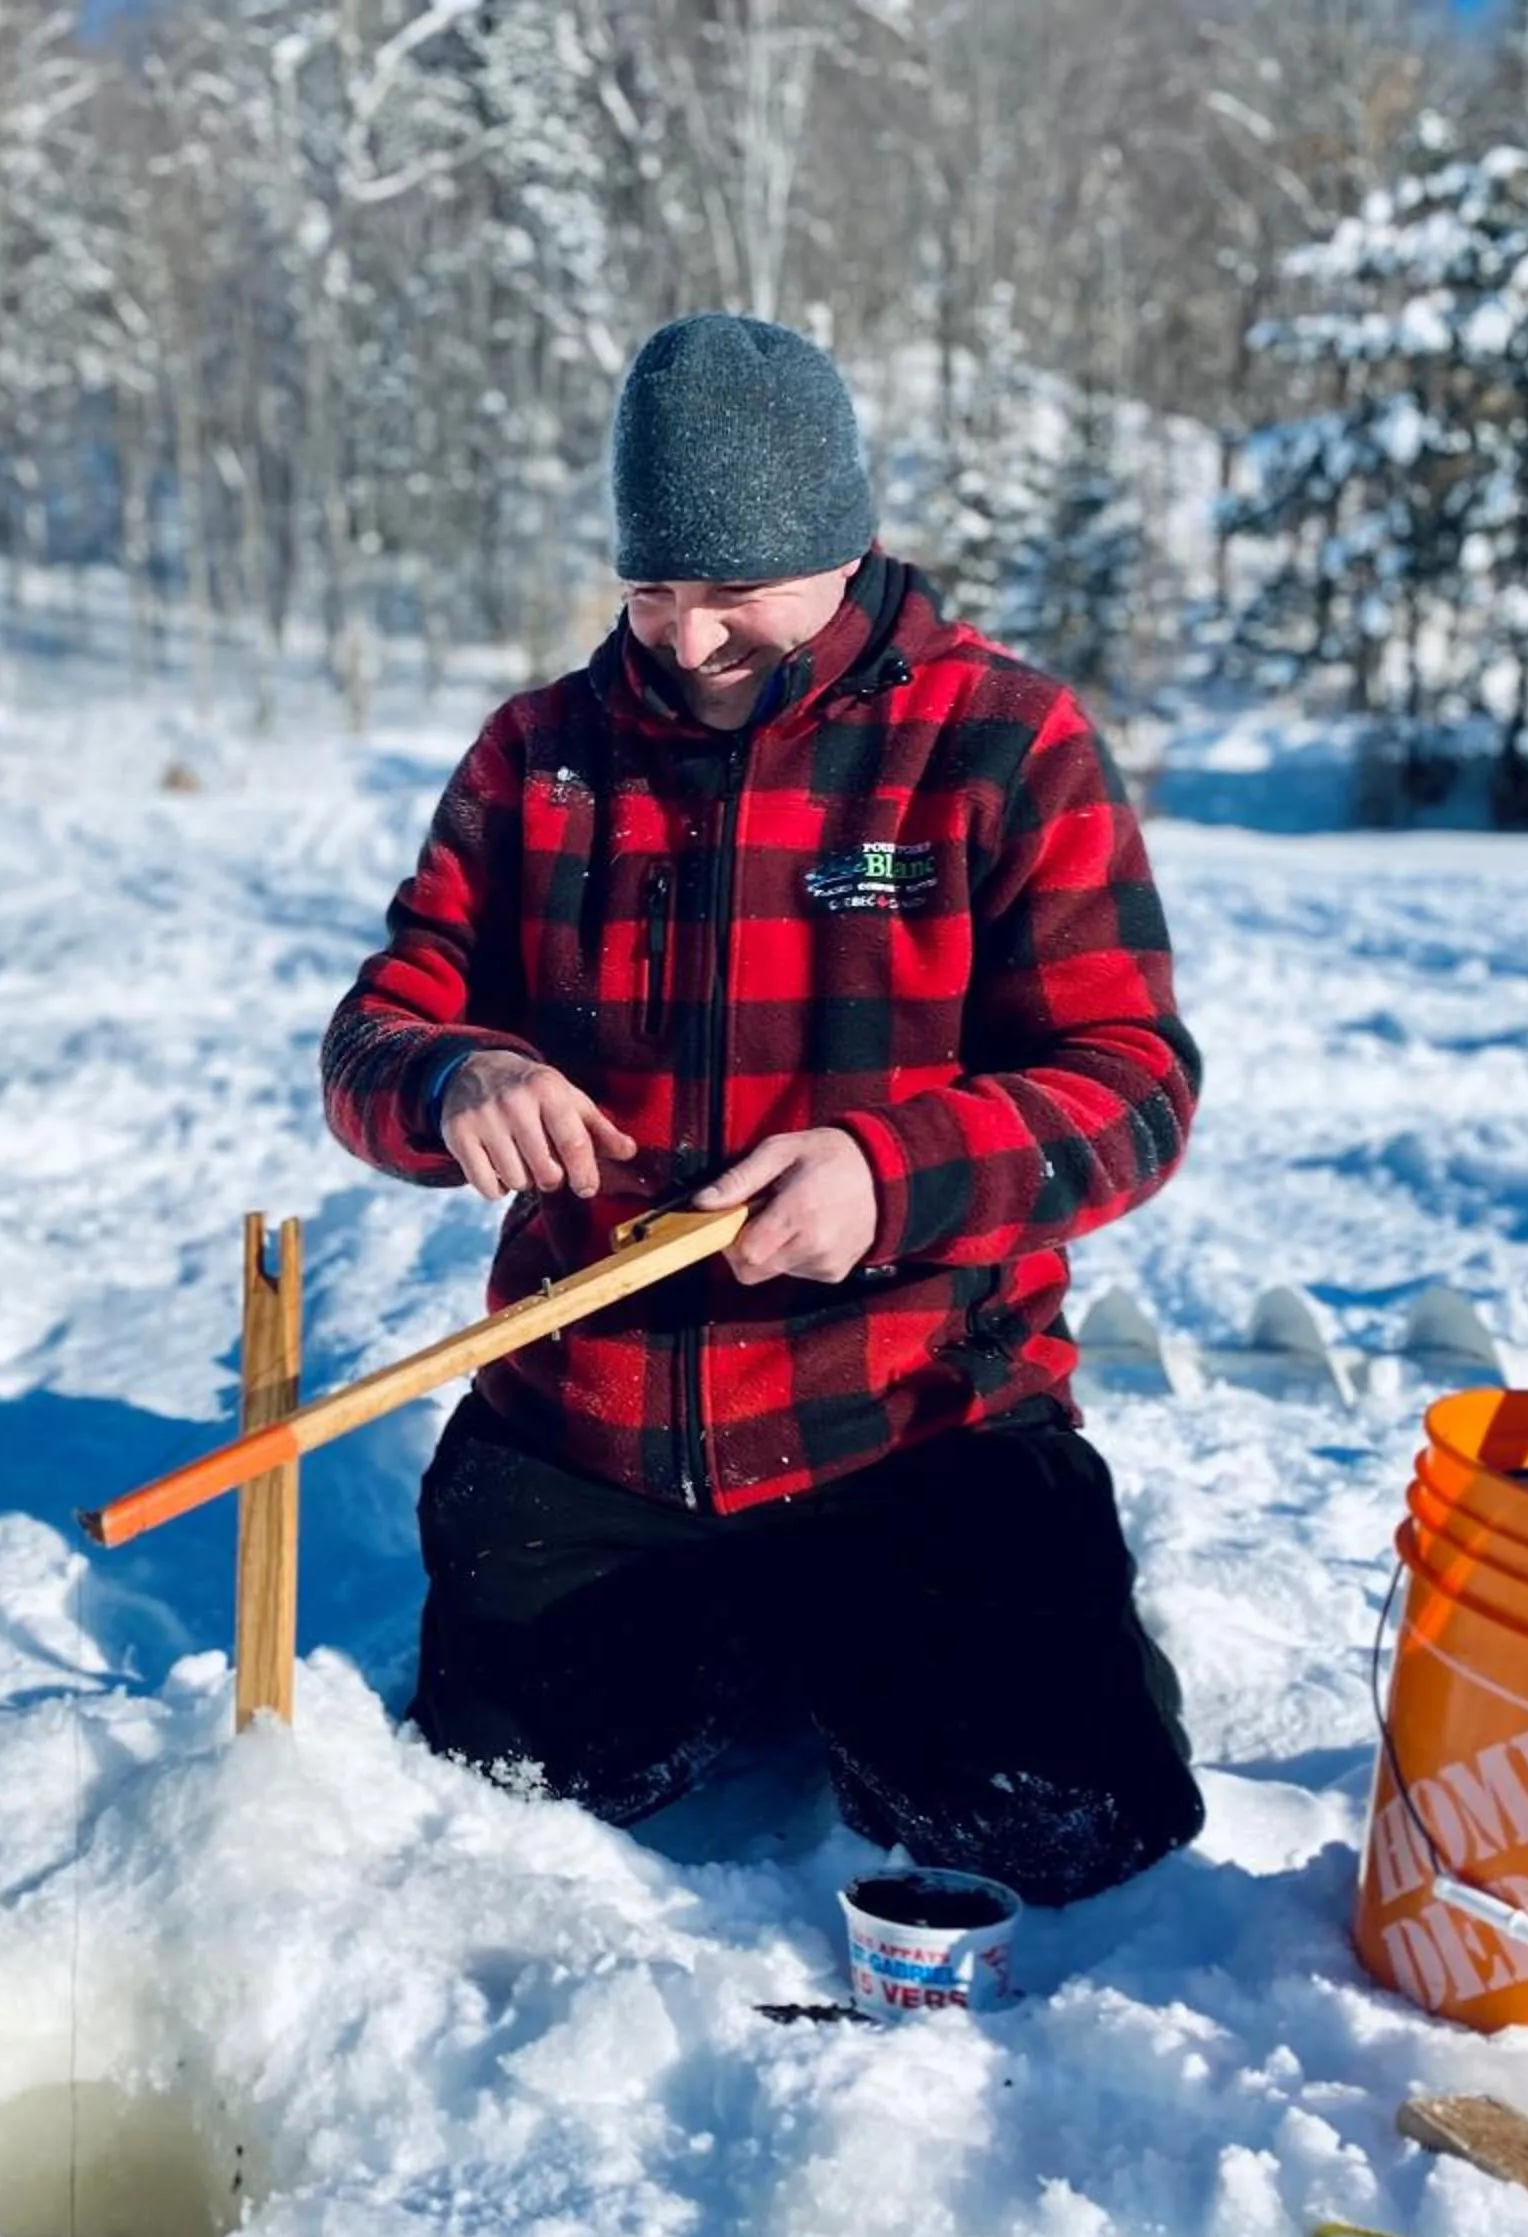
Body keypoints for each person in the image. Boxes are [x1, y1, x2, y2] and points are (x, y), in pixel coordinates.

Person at [318, 313, 1205, 1908]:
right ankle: (730, 1630)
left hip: (915, 1412)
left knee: (1066, 1821)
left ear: (844, 546)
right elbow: (377, 1037)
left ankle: (873, 1628)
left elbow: (1133, 1088)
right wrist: (458, 1077)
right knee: (510, 1797)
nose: (688, 641)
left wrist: (890, 1174)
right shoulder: (539, 760)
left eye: (738, 602)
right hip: (590, 1423)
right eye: (656, 594)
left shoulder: (1002, 743)